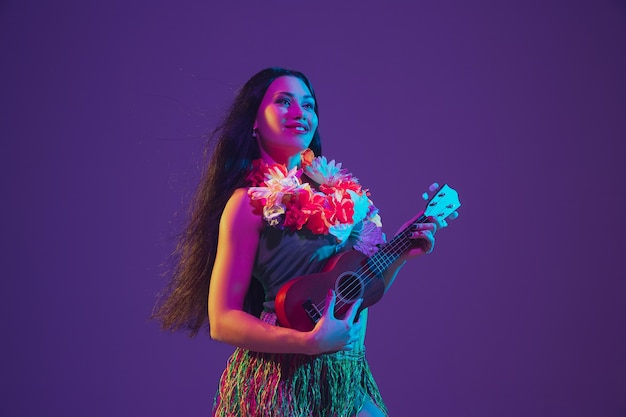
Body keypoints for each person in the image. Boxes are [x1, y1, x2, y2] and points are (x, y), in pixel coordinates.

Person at [153, 67, 454, 416]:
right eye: (284, 102)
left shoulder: (346, 200)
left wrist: (401, 255)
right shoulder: (247, 204)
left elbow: (356, 293)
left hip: (346, 380)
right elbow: (222, 320)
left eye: (309, 105)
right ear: (253, 120)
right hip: (281, 386)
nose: (300, 112)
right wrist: (308, 343)